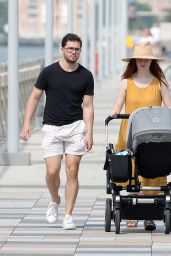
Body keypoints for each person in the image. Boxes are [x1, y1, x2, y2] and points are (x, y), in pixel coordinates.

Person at [20, 33, 94, 230]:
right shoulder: (48, 72)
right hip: (52, 127)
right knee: (52, 171)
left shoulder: (86, 75)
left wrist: (89, 133)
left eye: (77, 49)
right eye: (70, 48)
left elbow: (87, 106)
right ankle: (55, 200)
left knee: (72, 170)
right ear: (62, 49)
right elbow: (34, 97)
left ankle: (68, 215)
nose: (73, 52)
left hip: (75, 127)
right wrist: (26, 123)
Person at [110, 42, 171, 231]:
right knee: (129, 171)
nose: (143, 61)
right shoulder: (126, 82)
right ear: (134, 60)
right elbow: (118, 105)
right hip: (129, 130)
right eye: (140, 58)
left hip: (153, 132)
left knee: (152, 169)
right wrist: (112, 114)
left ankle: (150, 214)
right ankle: (131, 210)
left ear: (151, 61)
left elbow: (168, 107)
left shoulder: (159, 82)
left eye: (146, 58)